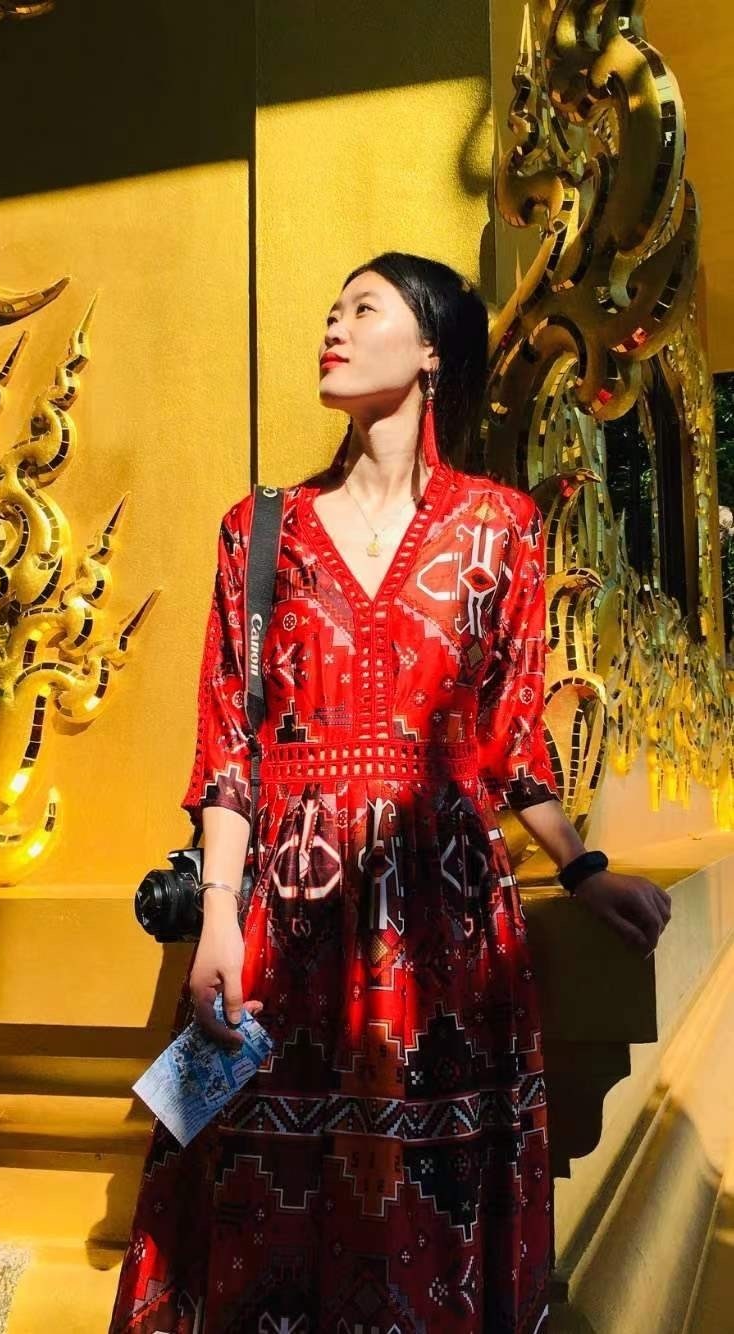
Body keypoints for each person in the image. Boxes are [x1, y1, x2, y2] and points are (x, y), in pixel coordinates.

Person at [108, 251, 672, 1333]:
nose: (333, 326)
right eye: (330, 310)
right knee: (250, 1195)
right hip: (287, 912)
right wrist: (218, 914)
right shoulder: (259, 530)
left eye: (362, 308)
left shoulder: (502, 527)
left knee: (430, 1208)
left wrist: (583, 869)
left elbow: (513, 741)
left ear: (429, 352)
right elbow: (229, 746)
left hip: (446, 923)